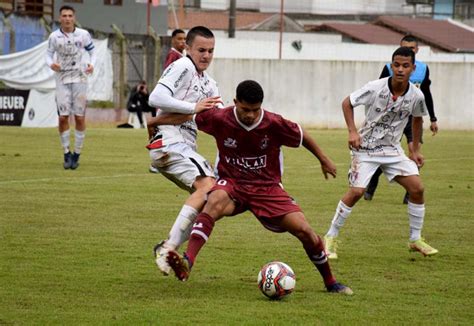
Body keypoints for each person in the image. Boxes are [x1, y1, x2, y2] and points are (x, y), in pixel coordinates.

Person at [160, 80, 352, 295]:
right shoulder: (219, 117)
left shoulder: (273, 123)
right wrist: (155, 121)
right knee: (213, 200)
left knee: (305, 231)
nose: (250, 115)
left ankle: (331, 282)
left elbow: (301, 134)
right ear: (235, 103)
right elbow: (189, 116)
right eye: (245, 110)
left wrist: (323, 159)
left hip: (267, 188)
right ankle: (188, 262)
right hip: (233, 184)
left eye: (255, 110)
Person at [323, 47, 438, 260]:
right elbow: (347, 103)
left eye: (405, 66)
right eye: (396, 65)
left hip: (392, 151)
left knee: (418, 189)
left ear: (413, 68)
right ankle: (330, 237)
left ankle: (415, 239)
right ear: (391, 66)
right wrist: (352, 132)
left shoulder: (416, 95)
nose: (400, 69)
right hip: (365, 149)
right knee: (356, 192)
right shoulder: (375, 88)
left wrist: (414, 150)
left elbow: (417, 119)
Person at [146, 26, 222, 276]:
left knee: (214, 200)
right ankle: (167, 247)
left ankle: (167, 248)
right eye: (201, 50)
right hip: (170, 142)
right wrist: (193, 107)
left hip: (182, 146)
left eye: (211, 51)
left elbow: (217, 117)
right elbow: (156, 97)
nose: (206, 55)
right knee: (207, 187)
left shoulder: (208, 82)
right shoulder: (183, 66)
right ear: (187, 48)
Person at [364, 35, 439, 203]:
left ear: (417, 50)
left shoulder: (423, 69)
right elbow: (378, 93)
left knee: (414, 152)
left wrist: (433, 118)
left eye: (411, 48)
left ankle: (410, 193)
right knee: (383, 153)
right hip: (393, 119)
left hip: (413, 119)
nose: (408, 51)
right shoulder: (389, 68)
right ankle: (372, 183)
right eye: (405, 47)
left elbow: (426, 94)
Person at [46, 5, 96, 170]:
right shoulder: (54, 36)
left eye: (70, 15)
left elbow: (92, 51)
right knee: (63, 117)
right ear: (60, 18)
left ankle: (77, 153)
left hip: (80, 79)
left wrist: (91, 64)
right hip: (62, 79)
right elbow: (48, 54)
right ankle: (66, 152)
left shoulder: (83, 35)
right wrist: (51, 64)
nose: (67, 18)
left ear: (74, 18)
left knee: (80, 117)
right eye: (64, 16)